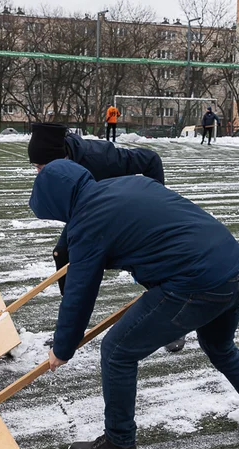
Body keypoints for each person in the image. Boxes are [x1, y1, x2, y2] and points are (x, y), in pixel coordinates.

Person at [30, 159, 239, 449]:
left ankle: (119, 444)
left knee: (117, 350)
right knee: (221, 347)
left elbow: (79, 293)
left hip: (198, 283)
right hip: (234, 266)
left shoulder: (88, 222)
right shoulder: (125, 183)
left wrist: (62, 348)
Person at [26, 123, 188, 352]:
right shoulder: (59, 168)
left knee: (143, 263)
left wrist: (156, 197)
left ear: (61, 157)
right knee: (62, 253)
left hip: (125, 211)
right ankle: (70, 327)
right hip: (89, 215)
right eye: (35, 167)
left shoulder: (100, 157)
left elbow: (151, 159)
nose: (39, 174)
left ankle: (174, 325)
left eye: (42, 167)